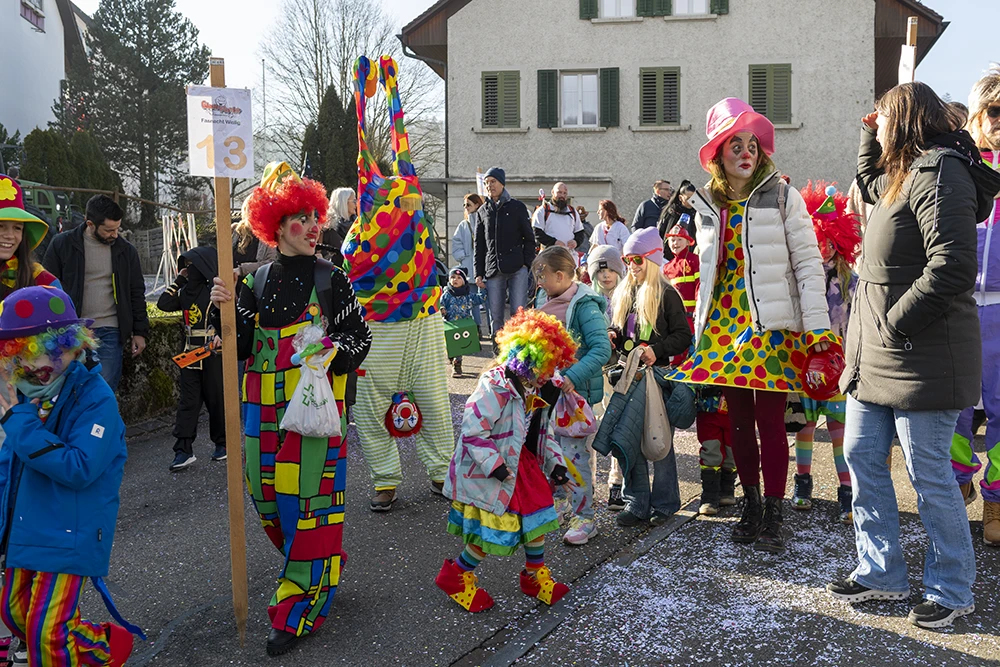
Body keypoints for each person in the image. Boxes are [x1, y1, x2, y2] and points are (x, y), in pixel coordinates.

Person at [827, 81, 1000, 629]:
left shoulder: (941, 172)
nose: (876, 125)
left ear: (903, 121)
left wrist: (895, 323)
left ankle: (952, 588)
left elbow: (950, 267)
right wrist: (863, 133)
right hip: (876, 354)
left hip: (923, 353)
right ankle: (881, 572)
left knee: (929, 474)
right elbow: (868, 183)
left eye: (881, 119)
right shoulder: (902, 174)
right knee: (860, 455)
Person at [209, 162, 372, 655]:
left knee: (308, 508)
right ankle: (320, 564)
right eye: (301, 217)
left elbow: (359, 339)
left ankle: (297, 604)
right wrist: (220, 306)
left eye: (315, 216)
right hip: (260, 410)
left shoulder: (332, 278)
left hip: (315, 409)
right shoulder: (255, 282)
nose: (314, 226)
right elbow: (231, 344)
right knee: (268, 501)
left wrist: (322, 353)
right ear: (275, 226)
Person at [670, 98, 835, 554]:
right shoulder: (709, 204)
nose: (746, 152)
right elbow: (704, 274)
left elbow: (808, 264)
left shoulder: (783, 195)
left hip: (772, 325)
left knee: (769, 421)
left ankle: (775, 511)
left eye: (752, 144)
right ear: (719, 154)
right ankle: (751, 503)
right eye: (734, 144)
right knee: (738, 422)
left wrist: (818, 330)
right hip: (725, 324)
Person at [0, 286, 142, 666]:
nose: (50, 360)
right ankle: (106, 647)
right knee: (14, 615)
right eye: (35, 351)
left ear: (77, 344)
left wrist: (19, 423)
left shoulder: (94, 397)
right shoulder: (19, 393)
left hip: (71, 528)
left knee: (47, 633)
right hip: (27, 526)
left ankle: (97, 648)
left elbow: (80, 466)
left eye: (60, 347)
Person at [344, 55, 457, 513]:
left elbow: (392, 131)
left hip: (422, 318)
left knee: (431, 401)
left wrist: (384, 90)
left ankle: (439, 473)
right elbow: (370, 133)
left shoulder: (403, 181)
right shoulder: (375, 192)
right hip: (379, 325)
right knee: (370, 409)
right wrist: (372, 92)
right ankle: (386, 479)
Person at [436, 309, 576, 612]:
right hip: (491, 470)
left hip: (520, 464)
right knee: (491, 530)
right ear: (528, 358)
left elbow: (542, 431)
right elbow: (473, 431)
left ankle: (533, 575)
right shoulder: (495, 386)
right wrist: (494, 467)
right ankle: (458, 575)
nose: (550, 375)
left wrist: (556, 464)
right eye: (546, 367)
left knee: (537, 521)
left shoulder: (535, 386)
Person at [605, 227, 692, 527]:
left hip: (657, 376)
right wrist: (613, 335)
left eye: (638, 259)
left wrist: (657, 350)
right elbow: (622, 329)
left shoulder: (667, 294)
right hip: (630, 376)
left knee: (660, 440)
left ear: (653, 260)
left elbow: (683, 336)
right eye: (628, 259)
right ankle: (637, 502)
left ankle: (666, 503)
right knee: (630, 439)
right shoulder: (626, 292)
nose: (632, 265)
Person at [790, 183, 861, 525]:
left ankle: (846, 491)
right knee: (804, 425)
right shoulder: (801, 279)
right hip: (803, 364)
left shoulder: (852, 282)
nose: (823, 249)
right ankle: (802, 483)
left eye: (829, 242)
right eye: (818, 242)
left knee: (838, 427)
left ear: (839, 243)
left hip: (839, 365)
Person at [532, 246, 612, 545]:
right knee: (547, 450)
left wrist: (570, 378)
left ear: (561, 275)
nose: (538, 283)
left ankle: (585, 517)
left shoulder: (585, 305)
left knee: (575, 457)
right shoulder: (545, 298)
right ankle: (560, 502)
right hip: (544, 393)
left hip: (572, 396)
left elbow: (602, 349)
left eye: (542, 276)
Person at [952, 66, 1000, 548]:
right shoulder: (960, 163)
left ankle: (997, 501)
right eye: (995, 110)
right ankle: (957, 481)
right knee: (955, 406)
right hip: (961, 305)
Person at [42, 195, 149, 391]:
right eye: (109, 230)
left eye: (117, 228)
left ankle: (102, 424)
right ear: (90, 224)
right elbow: (45, 289)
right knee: (67, 392)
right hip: (70, 332)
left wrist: (140, 332)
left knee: (102, 392)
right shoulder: (61, 244)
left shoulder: (126, 251)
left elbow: (136, 292)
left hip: (110, 330)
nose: (115, 234)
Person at [157, 246, 227, 470]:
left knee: (216, 400)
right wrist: (178, 280)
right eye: (185, 266)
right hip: (189, 355)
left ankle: (223, 444)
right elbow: (163, 304)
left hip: (213, 354)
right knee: (188, 402)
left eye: (191, 266)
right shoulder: (184, 292)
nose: (188, 270)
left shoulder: (215, 291)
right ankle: (183, 449)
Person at [585, 245, 628, 509]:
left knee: (617, 426)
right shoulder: (586, 299)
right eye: (600, 271)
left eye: (611, 269)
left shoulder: (629, 297)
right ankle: (586, 485)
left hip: (621, 369)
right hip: (593, 372)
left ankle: (616, 483)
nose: (606, 276)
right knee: (589, 426)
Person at [475, 167, 536, 344]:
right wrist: (479, 272)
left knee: (518, 313)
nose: (489, 186)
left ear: (502, 183)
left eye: (493, 181)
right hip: (493, 269)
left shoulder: (517, 207)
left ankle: (519, 350)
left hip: (517, 268)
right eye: (486, 183)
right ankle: (498, 351)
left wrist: (526, 263)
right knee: (495, 315)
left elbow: (529, 238)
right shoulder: (483, 211)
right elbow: (479, 245)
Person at [0, 174, 59, 300]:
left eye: (17, 228)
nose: (10, 236)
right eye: (0, 226)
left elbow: (64, 317)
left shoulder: (43, 281)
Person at [453, 194, 487, 336]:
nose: (466, 208)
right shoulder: (463, 225)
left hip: (484, 267)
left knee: (487, 299)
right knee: (471, 301)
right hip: (468, 266)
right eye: (465, 205)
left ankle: (493, 329)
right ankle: (476, 327)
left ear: (477, 205)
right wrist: (463, 256)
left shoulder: (485, 221)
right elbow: (456, 242)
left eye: (468, 204)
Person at [440, 267, 481, 377]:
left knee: (459, 345)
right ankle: (452, 358)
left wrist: (482, 289)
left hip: (463, 324)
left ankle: (457, 366)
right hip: (450, 324)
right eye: (452, 277)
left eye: (458, 278)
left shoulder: (467, 295)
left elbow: (480, 299)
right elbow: (440, 303)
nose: (455, 280)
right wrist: (442, 309)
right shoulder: (447, 294)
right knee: (450, 346)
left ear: (464, 280)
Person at [662, 224, 699, 333]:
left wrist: (699, 309)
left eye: (679, 239)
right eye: (672, 240)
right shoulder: (667, 267)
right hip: (675, 318)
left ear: (688, 242)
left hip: (693, 317)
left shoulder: (694, 261)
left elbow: (700, 286)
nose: (675, 243)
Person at [532, 182, 586, 251]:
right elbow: (537, 233)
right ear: (552, 192)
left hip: (569, 254)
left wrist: (576, 242)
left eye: (564, 193)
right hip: (549, 255)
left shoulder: (573, 211)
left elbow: (580, 232)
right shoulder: (542, 210)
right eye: (559, 192)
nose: (562, 196)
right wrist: (554, 242)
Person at [658, 181, 698, 260]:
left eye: (694, 198)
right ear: (680, 198)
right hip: (669, 256)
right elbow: (661, 232)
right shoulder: (672, 212)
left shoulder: (698, 213)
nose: (692, 202)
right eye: (688, 198)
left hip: (691, 255)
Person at [319, 187, 356, 267]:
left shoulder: (357, 224)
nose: (356, 204)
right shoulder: (329, 227)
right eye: (354, 201)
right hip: (334, 272)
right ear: (344, 203)